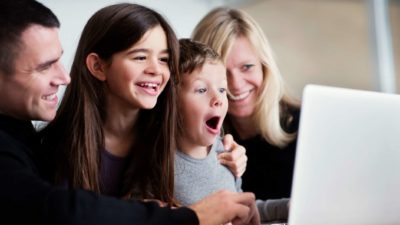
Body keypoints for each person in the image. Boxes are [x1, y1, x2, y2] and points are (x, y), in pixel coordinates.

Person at [0, 1, 259, 225]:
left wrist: (226, 159)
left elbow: (221, 192)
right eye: (139, 57)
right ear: (98, 66)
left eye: (164, 59)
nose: (156, 70)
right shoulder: (51, 148)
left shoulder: (175, 134)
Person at [192, 7, 301, 222]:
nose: (235, 85)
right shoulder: (198, 142)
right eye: (223, 73)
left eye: (247, 67)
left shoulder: (308, 124)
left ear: (264, 67)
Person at [174, 38, 292, 223]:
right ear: (171, 103)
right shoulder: (158, 165)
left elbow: (243, 211)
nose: (219, 99)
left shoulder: (225, 153)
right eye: (202, 90)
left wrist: (289, 207)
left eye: (222, 89)